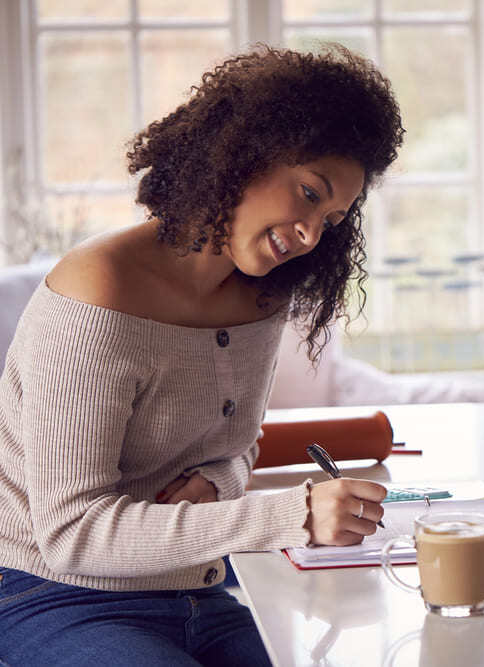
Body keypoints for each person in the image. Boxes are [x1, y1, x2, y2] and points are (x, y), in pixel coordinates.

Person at [0, 44, 404, 666]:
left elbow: (235, 448)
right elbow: (71, 536)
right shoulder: (99, 292)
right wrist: (290, 517)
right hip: (51, 596)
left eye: (331, 217)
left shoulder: (259, 298)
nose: (310, 234)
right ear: (242, 154)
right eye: (307, 193)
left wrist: (219, 482)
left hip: (198, 588)